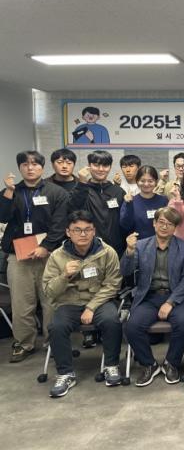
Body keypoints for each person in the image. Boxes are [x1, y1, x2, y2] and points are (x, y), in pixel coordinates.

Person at [42, 210, 123, 397]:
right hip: (68, 303)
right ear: (68, 232)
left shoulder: (107, 252)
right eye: (77, 230)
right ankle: (65, 373)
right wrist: (64, 276)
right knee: (57, 326)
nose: (83, 234)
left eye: (87, 229)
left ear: (94, 231)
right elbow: (48, 291)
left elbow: (113, 285)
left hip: (99, 301)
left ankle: (111, 365)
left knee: (112, 320)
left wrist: (91, 307)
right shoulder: (57, 256)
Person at [0, 151, 68, 362]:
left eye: (35, 164)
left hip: (50, 255)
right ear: (20, 167)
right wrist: (9, 192)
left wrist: (46, 246)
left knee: (51, 301)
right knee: (21, 303)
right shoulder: (11, 191)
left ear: (42, 167)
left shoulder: (56, 192)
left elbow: (60, 223)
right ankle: (24, 343)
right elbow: (2, 217)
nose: (30, 168)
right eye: (25, 164)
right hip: (18, 256)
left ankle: (53, 342)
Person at [121, 207, 184, 387]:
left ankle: (171, 363)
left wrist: (170, 302)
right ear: (154, 224)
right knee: (132, 326)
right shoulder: (141, 246)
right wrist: (129, 251)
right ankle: (149, 364)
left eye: (170, 224)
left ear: (175, 228)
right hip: (148, 297)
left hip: (175, 297)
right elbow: (126, 271)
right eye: (161, 222)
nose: (164, 227)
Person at [69, 150, 126, 256]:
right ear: (89, 166)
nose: (101, 169)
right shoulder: (81, 189)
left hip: (116, 248)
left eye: (105, 165)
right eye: (96, 165)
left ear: (110, 167)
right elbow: (72, 210)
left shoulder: (118, 191)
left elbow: (125, 220)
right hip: (89, 248)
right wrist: (82, 183)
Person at [120, 165, 169, 239]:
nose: (146, 184)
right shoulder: (130, 201)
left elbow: (169, 224)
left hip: (161, 243)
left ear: (156, 182)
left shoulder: (163, 200)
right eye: (142, 181)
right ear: (137, 182)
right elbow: (125, 226)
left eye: (150, 181)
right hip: (138, 243)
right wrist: (128, 204)